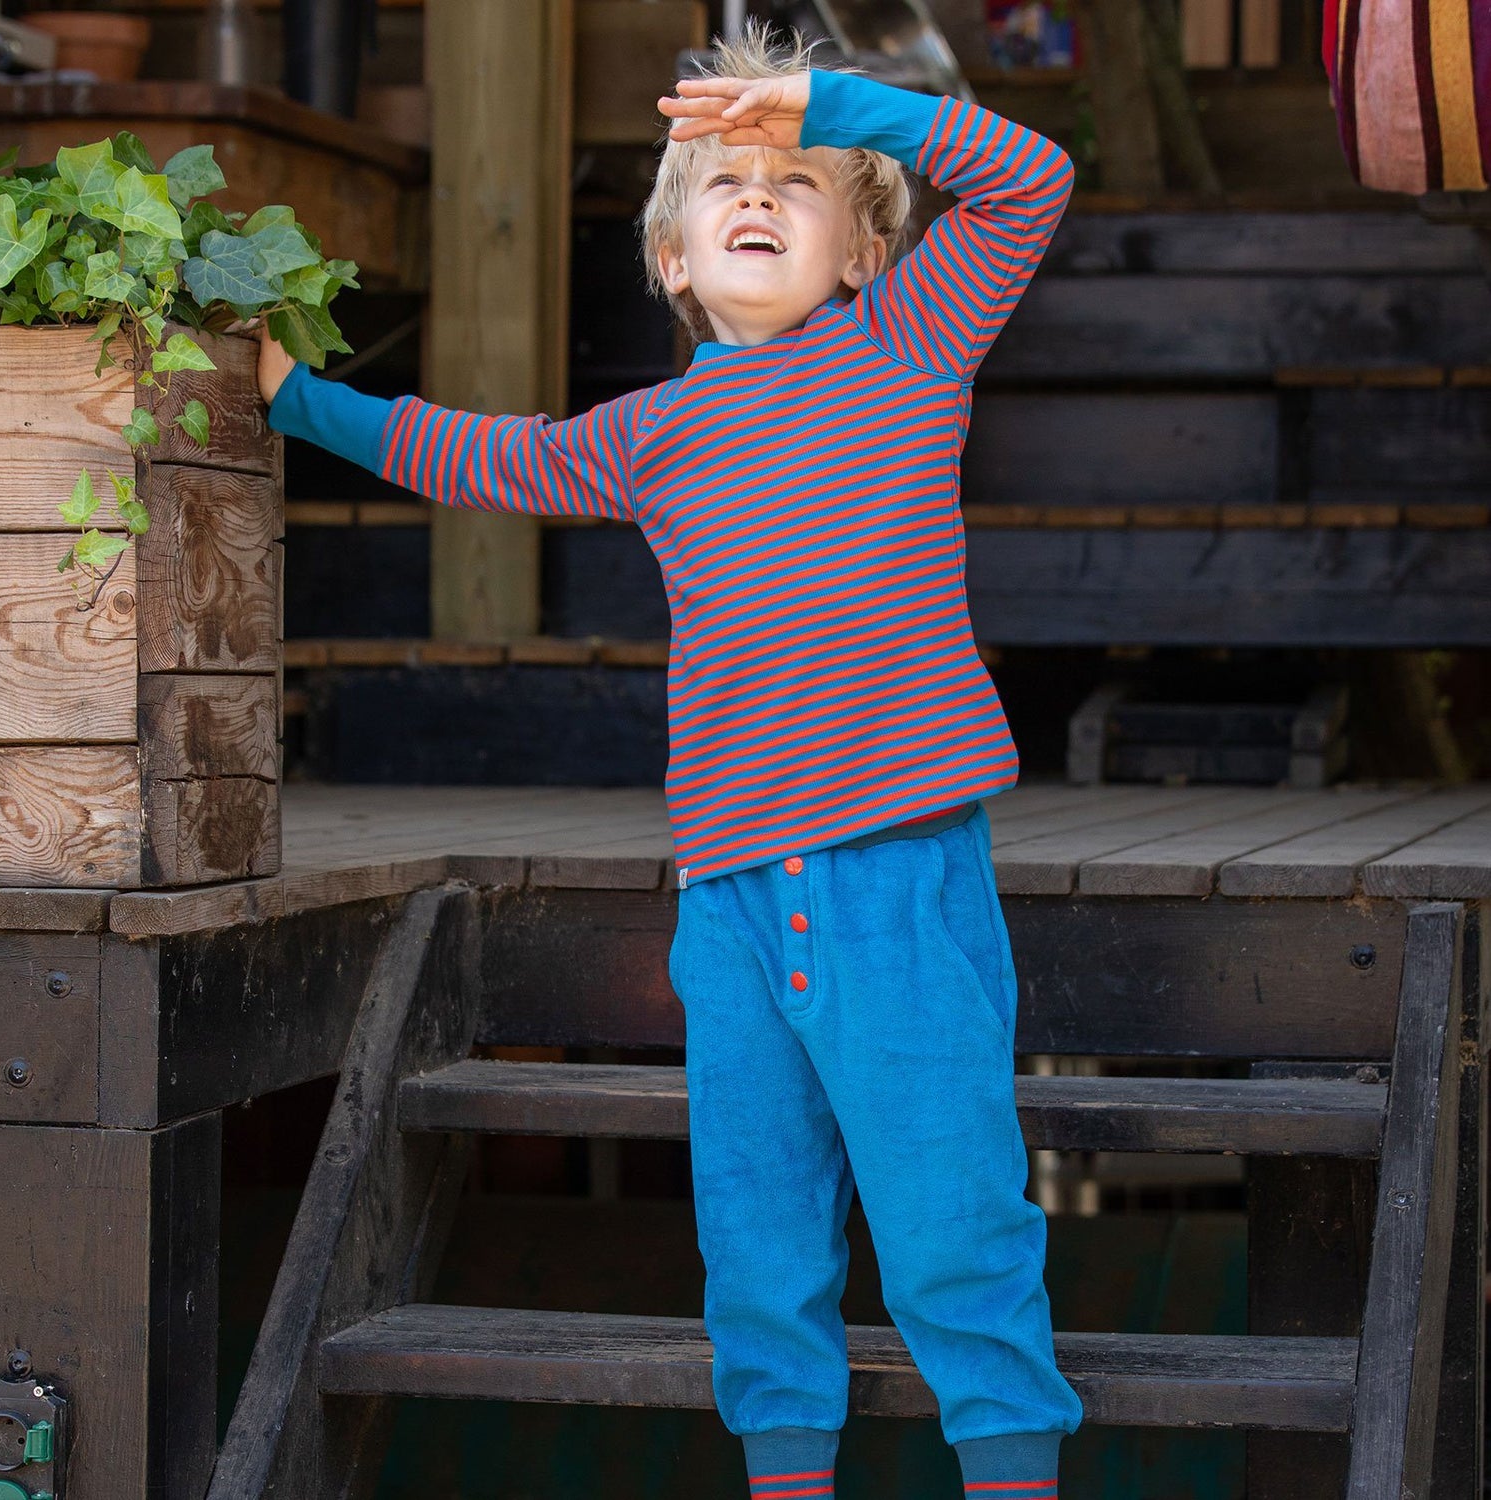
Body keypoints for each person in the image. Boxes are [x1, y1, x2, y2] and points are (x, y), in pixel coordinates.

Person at [249, 20, 1081, 1497]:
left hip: (897, 879)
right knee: (757, 1235)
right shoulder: (653, 434)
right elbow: (475, 454)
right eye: (723, 187)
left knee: (954, 1221)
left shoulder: (913, 343)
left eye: (798, 182)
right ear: (676, 262)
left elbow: (1026, 179)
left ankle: (1012, 1478)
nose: (758, 195)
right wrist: (291, 393)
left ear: (862, 245)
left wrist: (830, 103)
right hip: (731, 900)